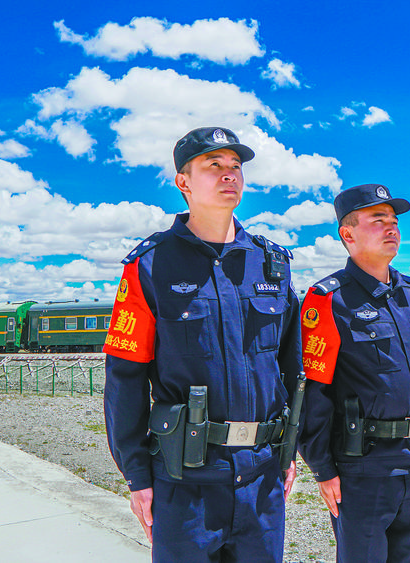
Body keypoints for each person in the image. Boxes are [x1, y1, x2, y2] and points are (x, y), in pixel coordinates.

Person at [102, 126, 303, 562]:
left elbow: (293, 368)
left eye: (235, 166)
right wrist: (137, 477)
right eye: (214, 165)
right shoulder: (149, 265)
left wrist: (289, 452)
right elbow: (124, 378)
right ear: (184, 182)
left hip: (262, 477)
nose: (229, 174)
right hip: (184, 481)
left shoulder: (271, 263)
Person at [298, 184, 410, 563]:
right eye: (378, 220)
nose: (391, 227)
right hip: (363, 467)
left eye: (394, 220)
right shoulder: (329, 299)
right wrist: (322, 469)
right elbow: (313, 391)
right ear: (347, 234)